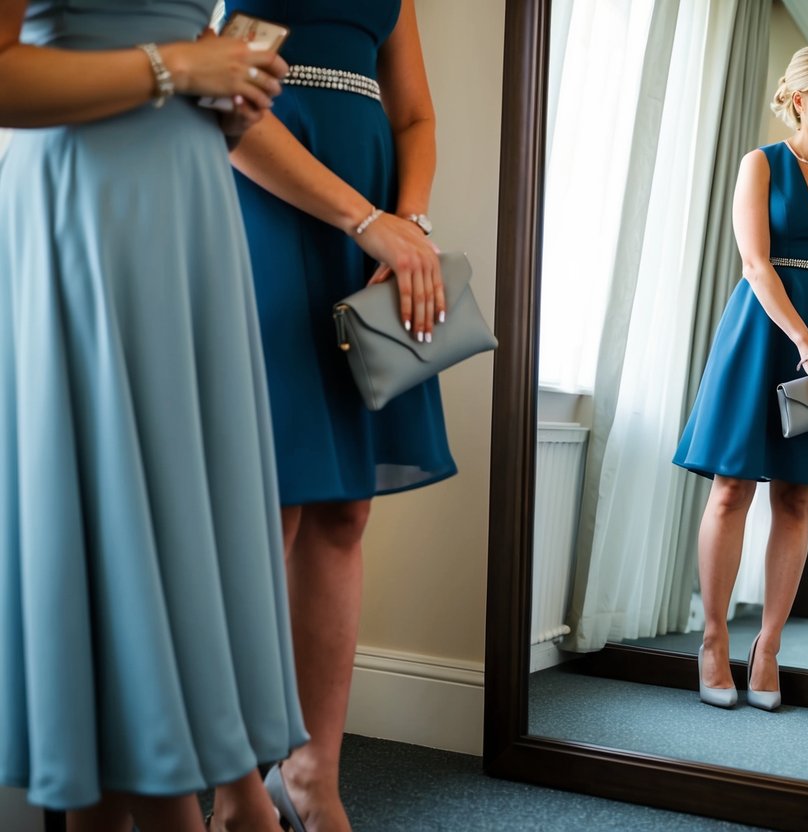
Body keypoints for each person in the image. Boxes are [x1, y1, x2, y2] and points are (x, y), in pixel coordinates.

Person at [0, 2, 307, 831]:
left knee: (174, 524)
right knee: (109, 531)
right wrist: (174, 67)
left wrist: (227, 107)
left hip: (190, 197)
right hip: (88, 199)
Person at [221, 1, 455, 828]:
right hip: (261, 205)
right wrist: (369, 222)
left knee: (344, 511)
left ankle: (313, 772)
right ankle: (235, 781)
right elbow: (224, 105)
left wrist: (410, 229)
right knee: (270, 506)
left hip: (377, 225)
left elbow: (416, 112)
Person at [673, 44, 808, 711]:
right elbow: (755, 265)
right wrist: (805, 342)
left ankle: (767, 647)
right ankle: (710, 640)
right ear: (797, 96)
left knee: (798, 497)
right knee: (732, 488)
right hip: (764, 332)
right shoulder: (759, 164)